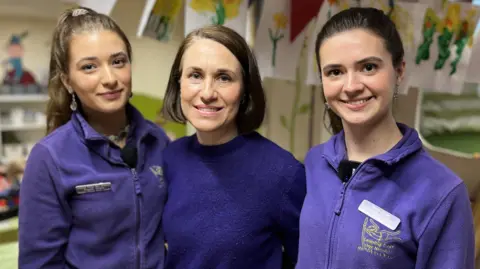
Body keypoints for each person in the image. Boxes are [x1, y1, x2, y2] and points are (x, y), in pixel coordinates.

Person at [296, 7, 474, 269]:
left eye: (368, 67)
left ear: (399, 70)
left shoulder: (443, 194)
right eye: (335, 72)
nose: (351, 86)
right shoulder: (315, 163)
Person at [18, 7, 170, 269]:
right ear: (67, 82)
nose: (109, 78)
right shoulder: (50, 157)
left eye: (118, 61)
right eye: (89, 67)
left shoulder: (158, 142)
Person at [161, 25, 306, 269]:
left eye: (224, 77)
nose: (207, 93)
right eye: (195, 75)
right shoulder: (168, 159)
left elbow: (309, 261)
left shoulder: (282, 173)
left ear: (245, 91)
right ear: (179, 84)